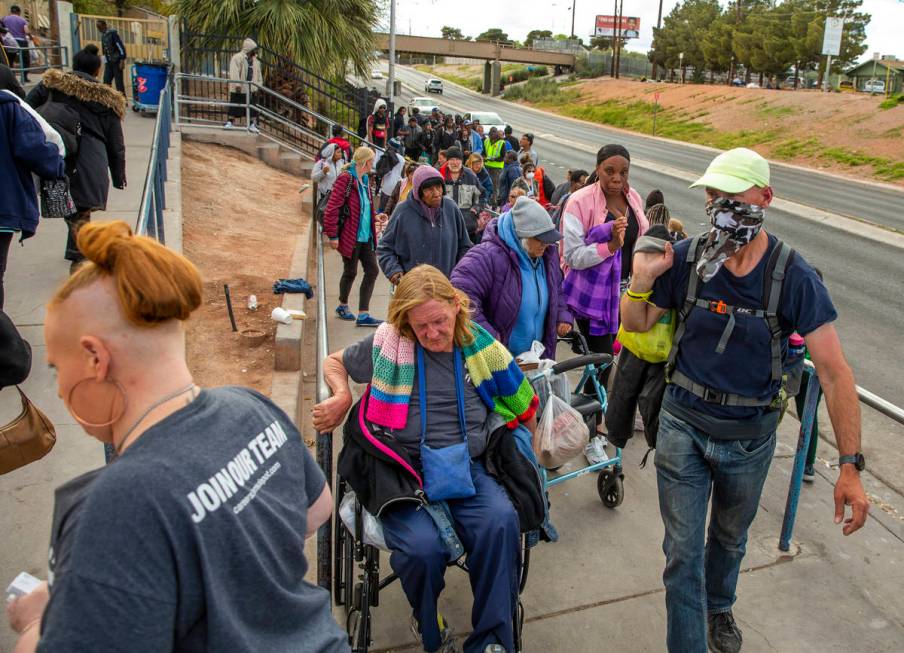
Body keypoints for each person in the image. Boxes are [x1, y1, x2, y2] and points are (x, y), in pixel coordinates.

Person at [4, 221, 348, 653]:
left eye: (58, 367)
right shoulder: (251, 406)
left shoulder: (113, 505)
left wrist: (38, 621)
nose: (58, 388)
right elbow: (317, 510)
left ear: (94, 357)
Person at [620, 147, 869, 653]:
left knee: (729, 541)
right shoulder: (687, 258)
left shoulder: (794, 276)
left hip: (749, 441)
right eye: (714, 195)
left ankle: (720, 606)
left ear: (765, 198)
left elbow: (836, 374)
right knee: (682, 554)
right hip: (682, 427)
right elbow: (635, 323)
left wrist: (849, 465)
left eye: (733, 196)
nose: (721, 206)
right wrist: (642, 279)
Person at [312, 264, 541, 653]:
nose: (433, 333)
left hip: (470, 466)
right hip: (404, 470)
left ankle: (492, 641)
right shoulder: (388, 344)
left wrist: (526, 461)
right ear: (406, 324)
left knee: (500, 523)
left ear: (456, 306)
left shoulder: (481, 347)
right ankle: (427, 618)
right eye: (422, 327)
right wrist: (342, 394)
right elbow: (335, 363)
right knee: (422, 549)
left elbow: (525, 402)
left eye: (439, 321)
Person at [26, 45, 126, 273]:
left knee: (69, 204)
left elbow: (26, 108)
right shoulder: (106, 98)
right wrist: (118, 175)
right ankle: (79, 259)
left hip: (55, 155)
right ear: (98, 70)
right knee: (80, 207)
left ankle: (77, 251)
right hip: (89, 159)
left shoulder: (52, 85)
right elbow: (115, 142)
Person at [560, 144, 648, 388]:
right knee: (603, 359)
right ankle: (593, 417)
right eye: (610, 171)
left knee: (612, 356)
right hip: (592, 293)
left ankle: (594, 410)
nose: (617, 178)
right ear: (598, 169)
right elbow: (572, 256)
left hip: (625, 291)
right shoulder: (579, 201)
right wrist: (609, 246)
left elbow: (641, 240)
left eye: (624, 172)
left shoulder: (634, 198)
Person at [451, 196, 572, 359]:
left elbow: (557, 290)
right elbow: (462, 298)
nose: (546, 244)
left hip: (535, 359)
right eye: (541, 239)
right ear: (521, 236)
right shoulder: (485, 256)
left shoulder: (547, 257)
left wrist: (562, 315)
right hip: (499, 361)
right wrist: (490, 341)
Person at [0, 87, 65, 308]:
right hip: (4, 207)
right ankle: (10, 343)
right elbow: (34, 148)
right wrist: (57, 166)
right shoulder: (8, 107)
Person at [323, 147, 385, 327]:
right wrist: (333, 235)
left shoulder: (364, 179)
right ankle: (342, 305)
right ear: (365, 162)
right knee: (350, 271)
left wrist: (374, 216)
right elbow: (332, 209)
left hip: (365, 236)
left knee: (372, 270)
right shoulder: (346, 179)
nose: (372, 165)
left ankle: (363, 314)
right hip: (350, 234)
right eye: (371, 161)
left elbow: (364, 205)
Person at [377, 166, 471, 283]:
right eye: (429, 189)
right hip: (414, 291)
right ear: (418, 192)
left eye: (439, 187)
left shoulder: (451, 208)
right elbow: (385, 248)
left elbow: (465, 246)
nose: (436, 193)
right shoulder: (402, 211)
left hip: (447, 288)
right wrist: (395, 272)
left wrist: (460, 273)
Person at [442, 146, 482, 244]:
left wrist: (476, 208)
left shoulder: (471, 176)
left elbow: (482, 196)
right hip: (445, 225)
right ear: (447, 161)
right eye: (452, 159)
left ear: (462, 161)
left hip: (468, 226)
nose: (455, 163)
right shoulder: (439, 175)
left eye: (457, 159)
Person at [225, 38, 262, 133]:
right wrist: (237, 84)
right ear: (248, 49)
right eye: (253, 49)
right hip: (240, 87)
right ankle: (230, 122)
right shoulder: (237, 58)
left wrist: (258, 85)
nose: (255, 51)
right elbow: (234, 71)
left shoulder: (255, 60)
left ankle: (251, 124)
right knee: (235, 103)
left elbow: (258, 74)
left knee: (252, 106)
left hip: (251, 87)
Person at [97, 20, 126, 94]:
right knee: (106, 81)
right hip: (109, 63)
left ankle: (123, 100)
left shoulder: (113, 34)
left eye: (100, 27)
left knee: (119, 83)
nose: (99, 29)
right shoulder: (103, 35)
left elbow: (120, 47)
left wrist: (122, 60)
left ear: (104, 25)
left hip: (117, 61)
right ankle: (108, 100)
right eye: (98, 27)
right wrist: (104, 61)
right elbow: (104, 50)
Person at [3, 5, 29, 81]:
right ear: (19, 12)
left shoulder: (5, 19)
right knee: (25, 59)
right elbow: (26, 31)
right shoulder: (22, 20)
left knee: (10, 60)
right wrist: (30, 37)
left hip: (9, 41)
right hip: (21, 41)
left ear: (11, 11)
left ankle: (11, 77)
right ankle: (24, 77)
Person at [483, 127, 505, 204]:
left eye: (494, 132)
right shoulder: (486, 141)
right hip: (487, 165)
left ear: (497, 134)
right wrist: (484, 157)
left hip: (497, 167)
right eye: (491, 132)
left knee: (495, 185)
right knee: (486, 184)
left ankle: (494, 202)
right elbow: (484, 152)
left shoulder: (501, 142)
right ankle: (486, 200)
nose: (492, 134)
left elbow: (503, 157)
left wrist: (494, 159)